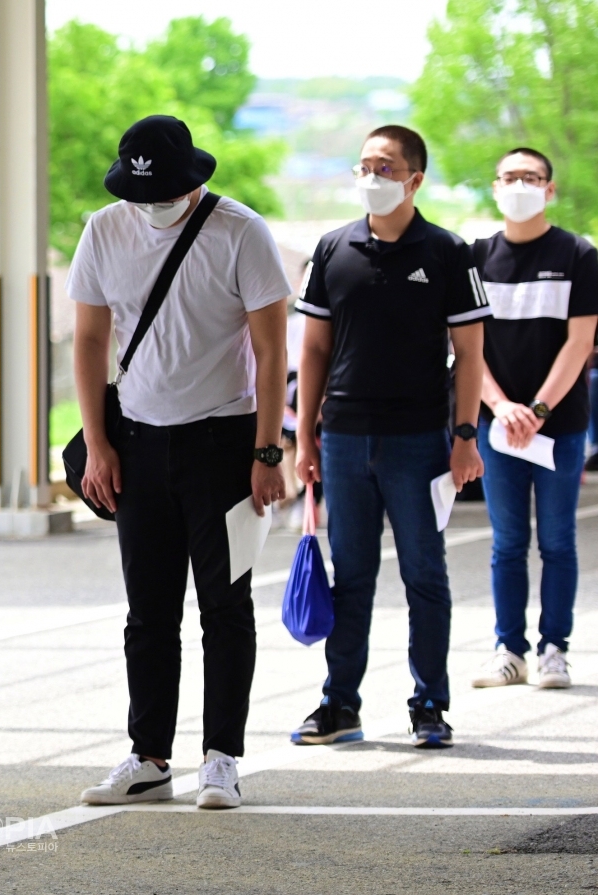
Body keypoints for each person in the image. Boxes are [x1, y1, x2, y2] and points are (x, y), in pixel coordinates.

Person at [70, 116, 291, 810]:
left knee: (225, 607)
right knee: (148, 612)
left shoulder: (241, 232)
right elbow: (86, 337)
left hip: (223, 443)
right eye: (142, 193)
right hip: (136, 441)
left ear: (193, 179)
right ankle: (149, 755)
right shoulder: (105, 229)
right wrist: (97, 441)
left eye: (165, 191)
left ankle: (221, 756)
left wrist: (266, 450)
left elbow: (271, 351)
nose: (153, 204)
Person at [292, 125, 490, 749]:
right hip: (345, 438)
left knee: (424, 575)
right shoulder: (332, 249)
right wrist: (304, 436)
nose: (371, 176)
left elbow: (470, 354)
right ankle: (339, 704)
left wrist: (464, 436)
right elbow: (315, 347)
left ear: (414, 179)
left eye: (385, 166)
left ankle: (429, 704)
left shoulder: (449, 252)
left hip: (419, 440)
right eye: (363, 165)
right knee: (351, 575)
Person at [468, 147, 598, 690]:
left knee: (558, 540)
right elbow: (467, 344)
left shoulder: (578, 254)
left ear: (550, 189)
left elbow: (580, 341)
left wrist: (539, 409)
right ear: (494, 188)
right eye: (510, 177)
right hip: (495, 426)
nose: (520, 184)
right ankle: (509, 648)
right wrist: (500, 407)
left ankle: (554, 648)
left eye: (532, 177)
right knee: (506, 542)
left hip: (559, 426)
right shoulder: (473, 256)